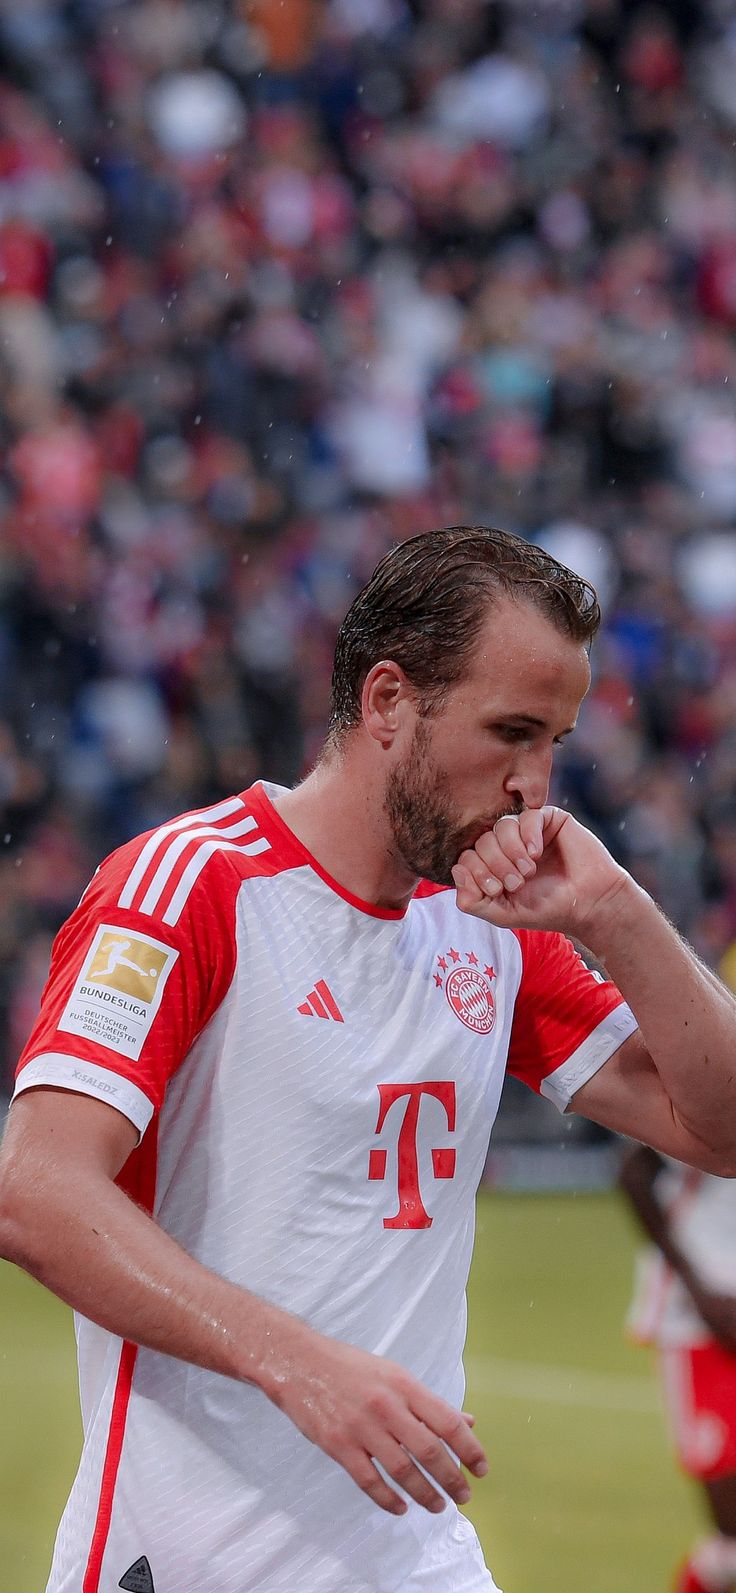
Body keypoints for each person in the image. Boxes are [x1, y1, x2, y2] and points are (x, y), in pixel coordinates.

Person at [1, 523, 736, 1593]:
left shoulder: (491, 927)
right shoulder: (188, 888)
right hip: (187, 1560)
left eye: (555, 745)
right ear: (388, 701)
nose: (534, 786)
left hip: (416, 1559)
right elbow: (33, 1190)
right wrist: (298, 1366)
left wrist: (616, 912)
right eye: (510, 733)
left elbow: (718, 1131)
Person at [621, 1145, 736, 1593]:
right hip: (700, 1324)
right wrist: (697, 1286)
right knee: (731, 1528)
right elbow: (634, 1172)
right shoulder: (720, 1089)